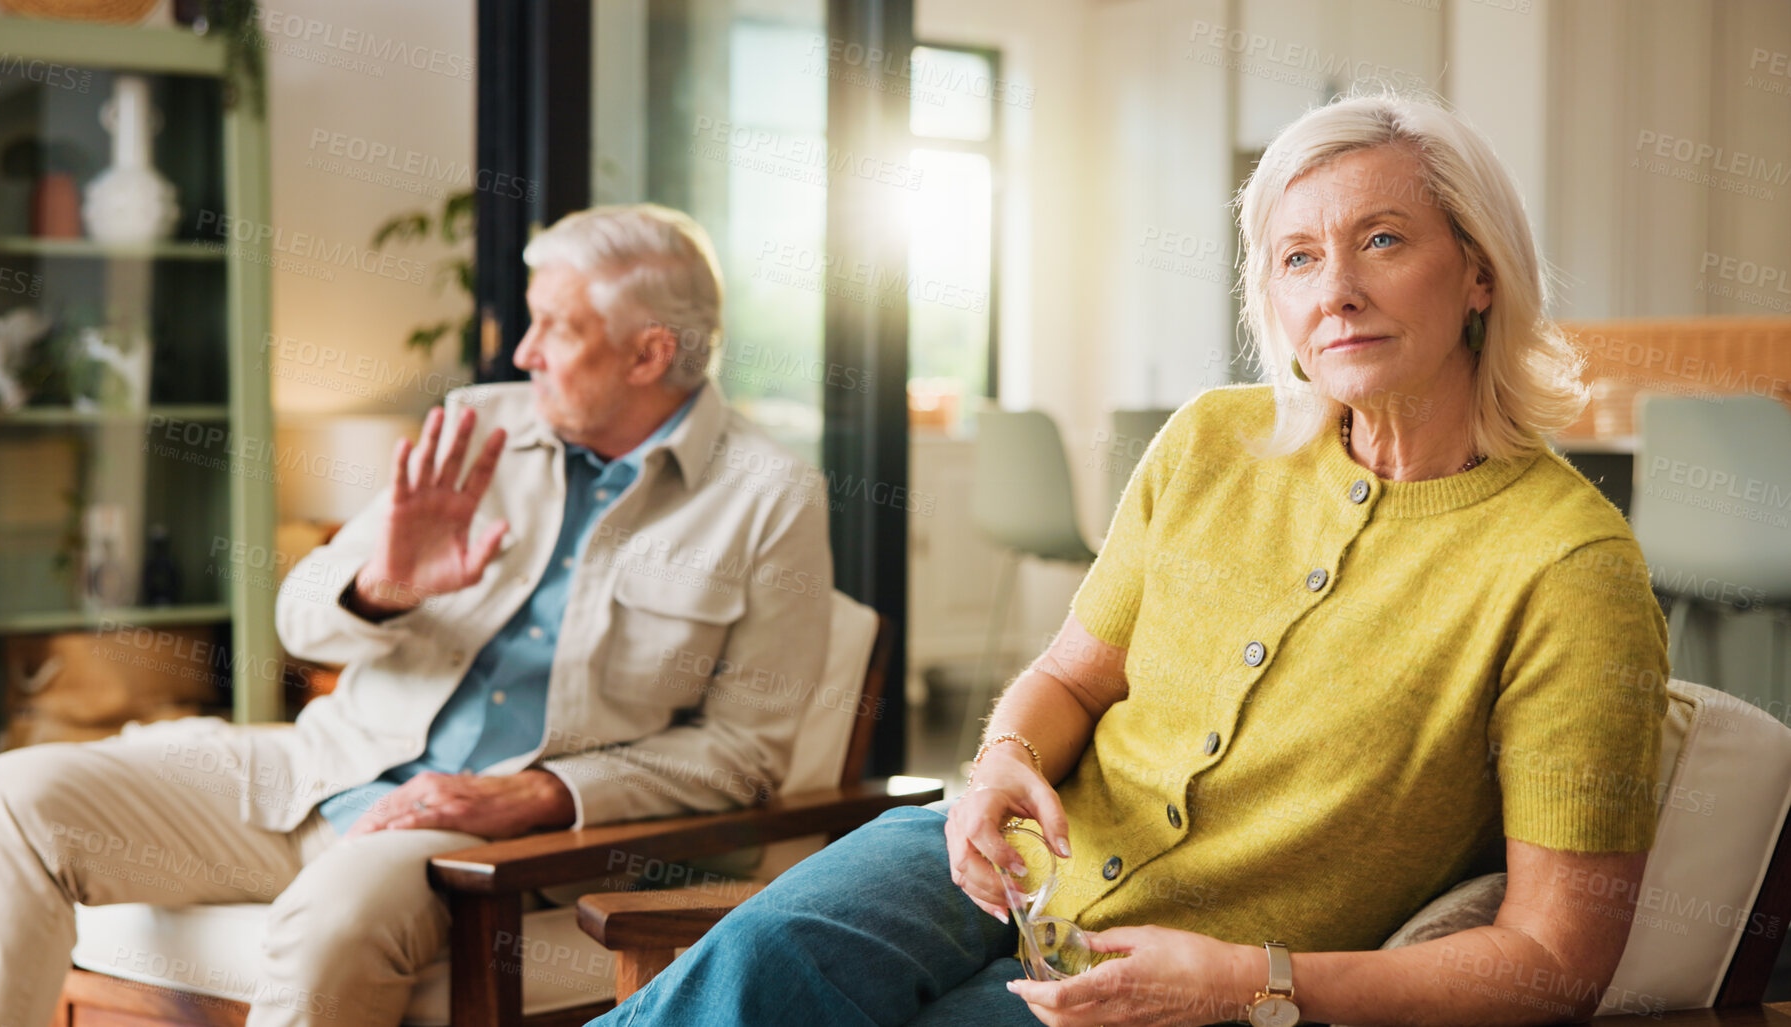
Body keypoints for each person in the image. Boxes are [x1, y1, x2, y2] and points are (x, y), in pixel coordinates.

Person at [596, 93, 1671, 1027]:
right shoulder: (1212, 438)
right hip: (983, 862)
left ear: (1479, 271)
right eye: (1298, 257)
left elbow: (1554, 961)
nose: (1335, 288)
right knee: (755, 967)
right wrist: (1003, 761)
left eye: (1383, 241)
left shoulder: (1568, 565)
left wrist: (1256, 981)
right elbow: (1073, 674)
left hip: (1187, 971)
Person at [0, 203, 833, 1027]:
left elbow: (744, 753)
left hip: (487, 830)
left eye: (555, 325)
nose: (523, 350)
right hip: (320, 768)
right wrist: (385, 583)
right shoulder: (482, 425)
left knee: (332, 920)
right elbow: (299, 618)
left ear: (648, 352)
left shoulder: (769, 496)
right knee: (18, 796)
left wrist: (537, 794)